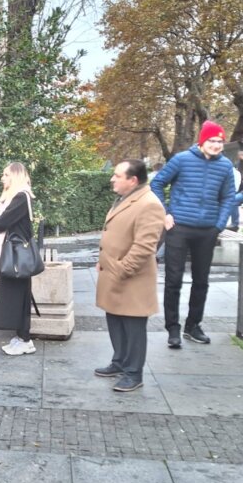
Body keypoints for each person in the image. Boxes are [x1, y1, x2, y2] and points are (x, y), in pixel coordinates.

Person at [151, 121, 235, 348]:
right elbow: (157, 184)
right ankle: (173, 328)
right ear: (202, 141)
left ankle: (193, 325)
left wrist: (218, 225)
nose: (216, 145)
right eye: (212, 141)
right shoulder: (181, 160)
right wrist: (165, 214)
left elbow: (228, 197)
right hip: (179, 228)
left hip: (207, 230)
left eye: (220, 141)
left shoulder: (225, 166)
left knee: (201, 281)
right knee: (173, 280)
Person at [95, 160, 166, 392]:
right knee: (115, 321)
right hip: (114, 275)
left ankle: (133, 373)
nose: (112, 179)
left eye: (117, 176)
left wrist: (121, 269)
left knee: (133, 328)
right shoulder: (126, 198)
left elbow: (145, 247)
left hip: (131, 279)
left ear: (133, 180)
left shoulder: (149, 204)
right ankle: (119, 362)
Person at [0, 162, 37, 356]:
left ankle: (25, 339)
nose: (3, 178)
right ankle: (21, 337)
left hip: (16, 254)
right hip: (15, 252)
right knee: (19, 294)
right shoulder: (17, 197)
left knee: (20, 295)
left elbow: (3, 221)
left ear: (15, 176)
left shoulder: (20, 197)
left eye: (6, 174)